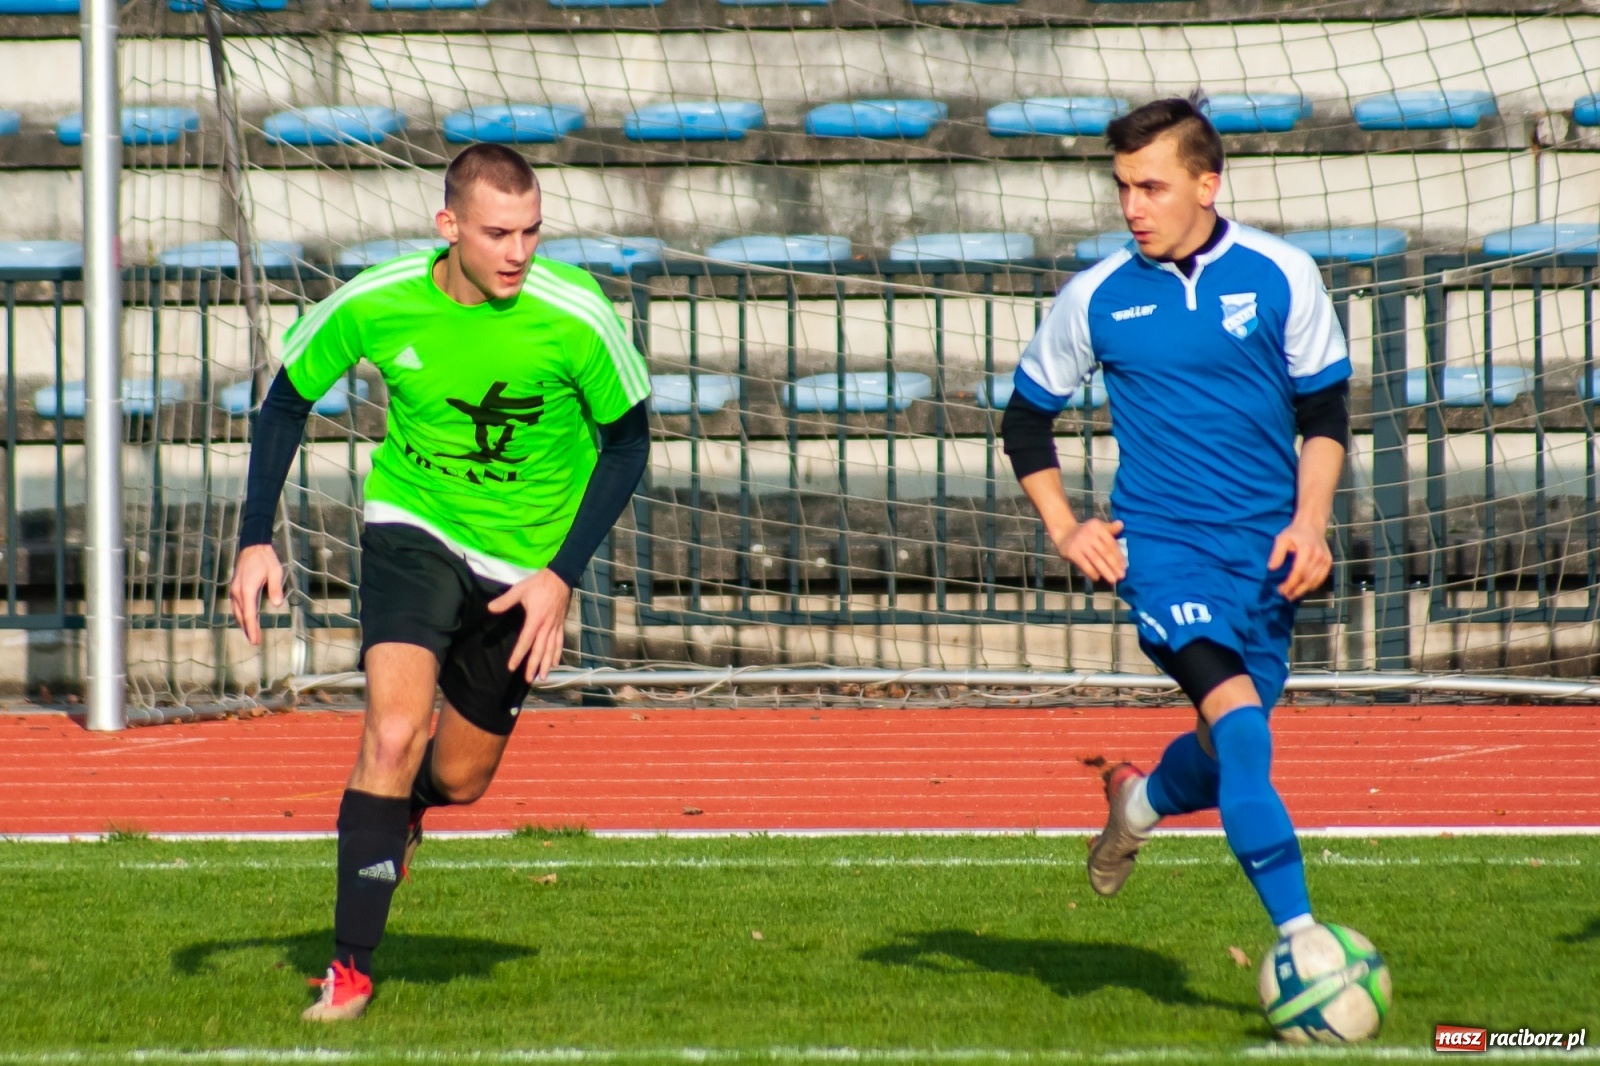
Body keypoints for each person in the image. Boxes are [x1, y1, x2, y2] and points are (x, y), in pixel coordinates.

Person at [229, 143, 652, 1022]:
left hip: (524, 567)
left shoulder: (576, 315)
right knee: (391, 730)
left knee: (458, 778)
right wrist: (254, 539)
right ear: (448, 226)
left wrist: (560, 578)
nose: (520, 252)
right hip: (412, 530)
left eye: (533, 231)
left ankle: (406, 813)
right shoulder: (377, 301)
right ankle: (349, 966)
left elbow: (629, 443)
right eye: (499, 233)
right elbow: (285, 400)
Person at [1000, 96, 1350, 942]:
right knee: (1239, 723)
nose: (1132, 207)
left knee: (1222, 749)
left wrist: (1310, 524)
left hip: (1266, 557)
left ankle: (1140, 801)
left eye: (1151, 187)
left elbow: (1327, 417)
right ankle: (1304, 942)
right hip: (1159, 551)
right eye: (1123, 187)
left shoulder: (1281, 274)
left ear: (1207, 183)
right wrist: (1064, 527)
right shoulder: (1096, 296)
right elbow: (1023, 419)